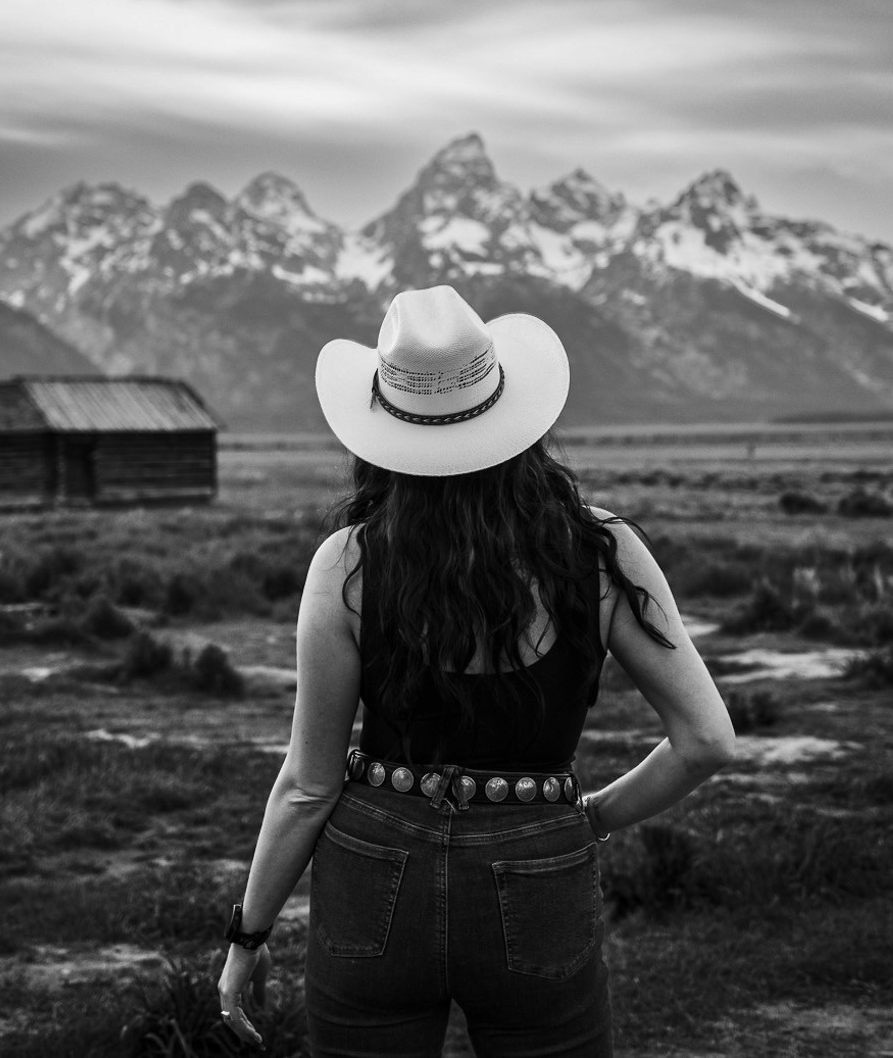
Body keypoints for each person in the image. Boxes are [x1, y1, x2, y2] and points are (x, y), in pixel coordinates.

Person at [217, 284, 737, 1057]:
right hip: (539, 858)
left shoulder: (348, 564)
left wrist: (248, 933)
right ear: (512, 416)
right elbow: (707, 742)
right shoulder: (602, 550)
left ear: (381, 432)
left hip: (374, 866)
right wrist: (584, 815)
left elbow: (308, 785)